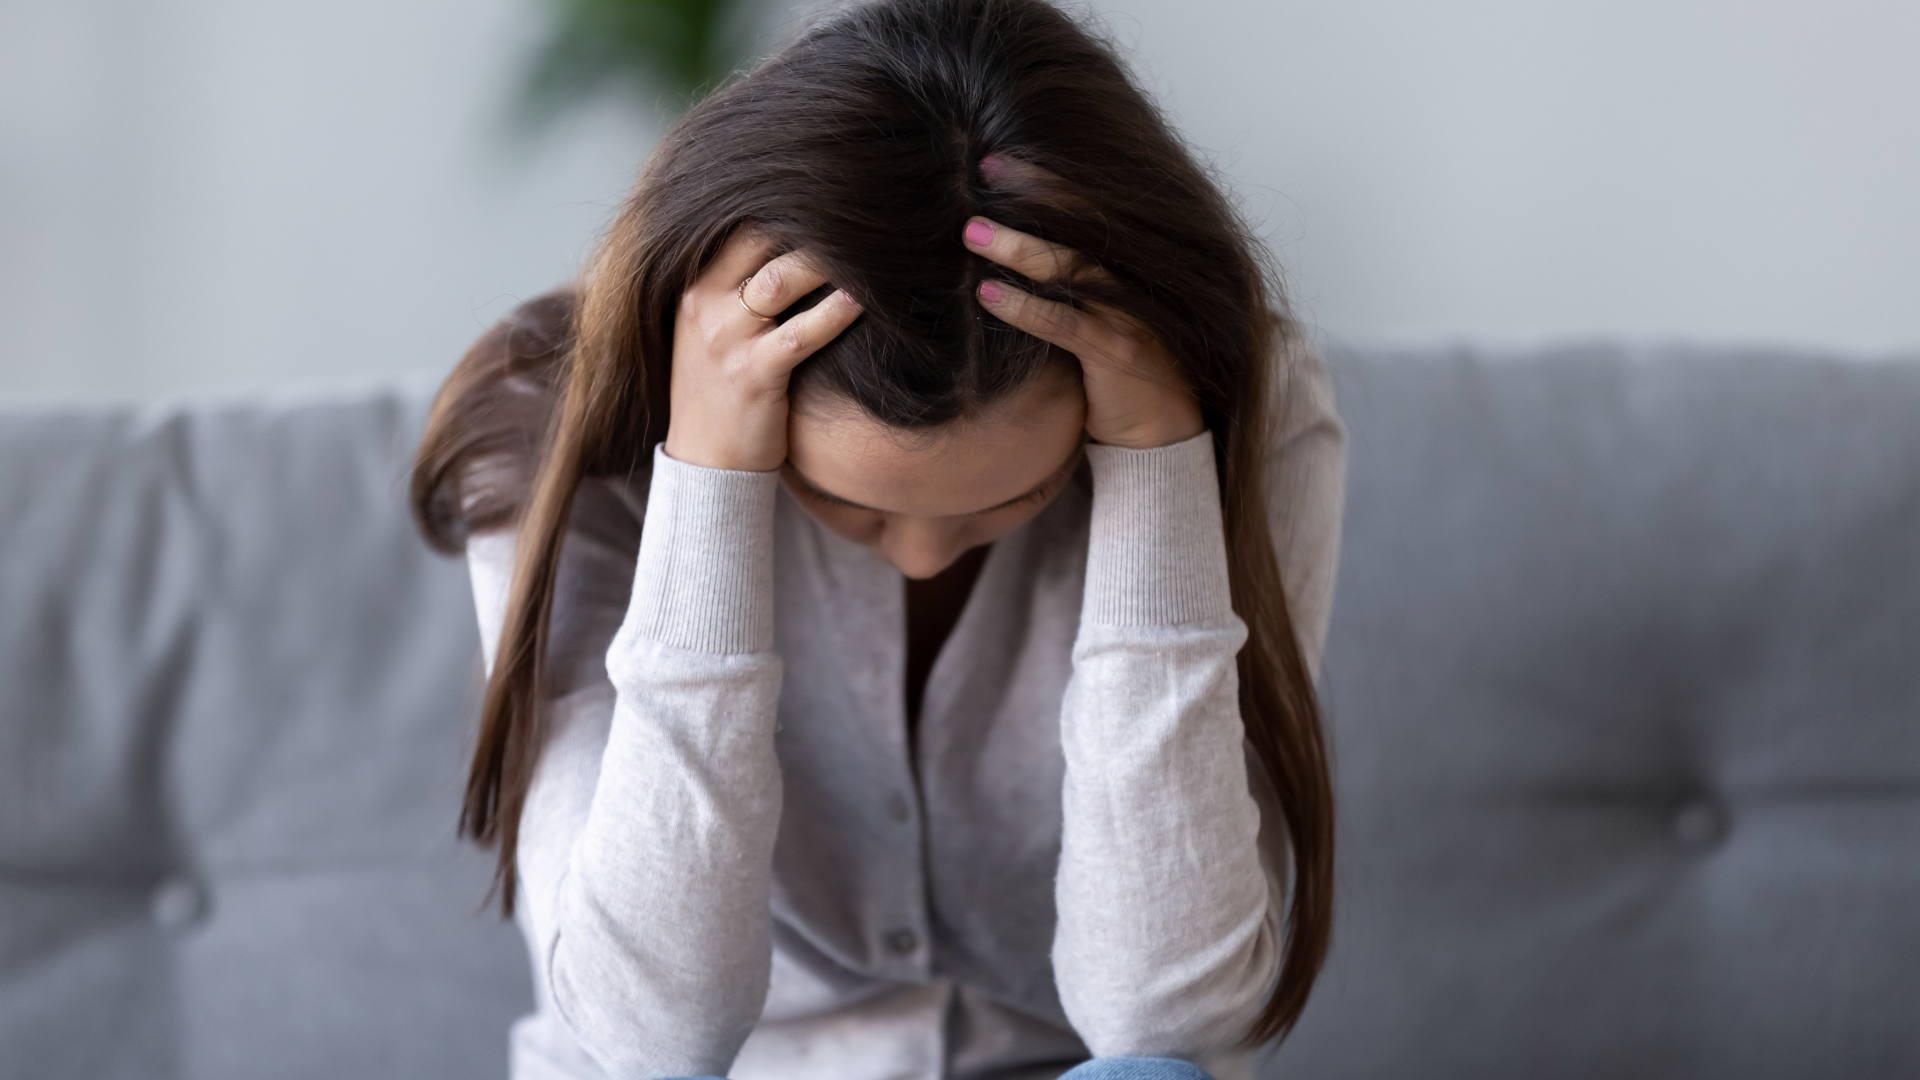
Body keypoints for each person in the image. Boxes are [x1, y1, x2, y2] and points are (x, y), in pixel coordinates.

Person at [410, 0, 1346, 1077]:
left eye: (1019, 496)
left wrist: (1155, 470)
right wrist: (710, 487)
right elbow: (644, 1038)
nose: (921, 555)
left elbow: (1171, 1025)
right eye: (844, 502)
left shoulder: (1238, 412)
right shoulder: (553, 426)